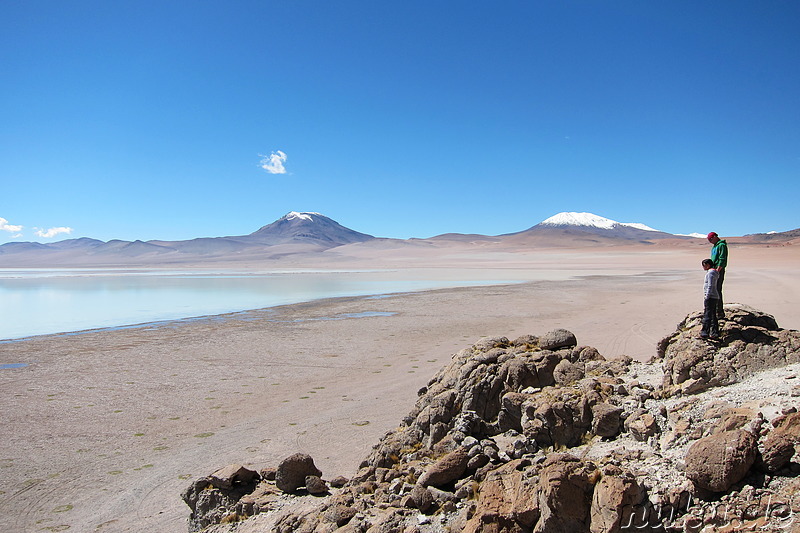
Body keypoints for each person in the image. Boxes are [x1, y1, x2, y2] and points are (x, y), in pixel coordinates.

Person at [707, 232, 728, 318]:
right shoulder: (714, 246)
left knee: (717, 290)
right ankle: (714, 310)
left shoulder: (721, 245)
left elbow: (722, 259)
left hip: (718, 271)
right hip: (712, 270)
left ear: (715, 237)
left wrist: (718, 270)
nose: (710, 241)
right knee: (712, 290)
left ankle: (719, 312)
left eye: (711, 239)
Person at [701, 258, 720, 339]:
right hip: (714, 296)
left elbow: (710, 285)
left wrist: (707, 296)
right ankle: (714, 332)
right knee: (712, 314)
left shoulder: (711, 273)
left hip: (711, 296)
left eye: (704, 265)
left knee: (707, 314)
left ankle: (705, 332)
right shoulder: (714, 272)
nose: (703, 267)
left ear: (708, 265)